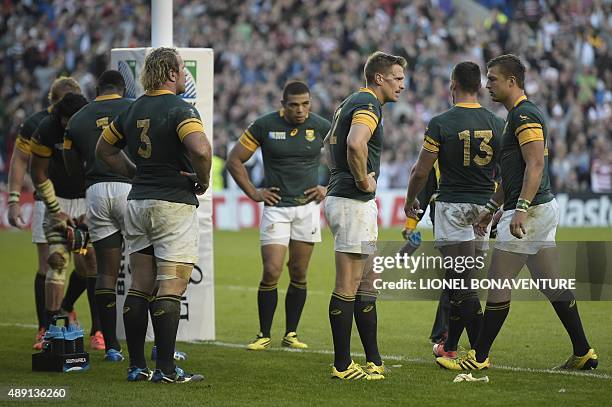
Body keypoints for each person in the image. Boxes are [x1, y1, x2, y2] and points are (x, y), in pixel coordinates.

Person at [436, 54, 597, 371]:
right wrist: (491, 209)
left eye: (493, 78)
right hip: (536, 207)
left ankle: (478, 358)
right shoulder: (515, 116)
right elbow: (512, 173)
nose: (487, 84)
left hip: (531, 210)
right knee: (551, 284)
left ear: (512, 82)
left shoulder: (524, 116)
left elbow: (535, 165)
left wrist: (520, 209)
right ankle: (583, 351)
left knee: (498, 282)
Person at [96, 47, 211, 383]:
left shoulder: (133, 109)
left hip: (138, 202)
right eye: (181, 70)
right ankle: (165, 369)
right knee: (171, 288)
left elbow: (104, 149)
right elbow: (201, 148)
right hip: (171, 204)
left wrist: (133, 173)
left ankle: (136, 367)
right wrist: (202, 180)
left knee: (139, 286)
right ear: (173, 73)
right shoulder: (179, 108)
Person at [405, 61, 504, 359]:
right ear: (480, 87)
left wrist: (411, 201)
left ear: (453, 85)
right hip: (483, 208)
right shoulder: (499, 124)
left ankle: (479, 352)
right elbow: (508, 173)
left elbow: (421, 171)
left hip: (451, 207)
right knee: (462, 279)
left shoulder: (441, 123)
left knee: (461, 284)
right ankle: (448, 347)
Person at [227, 81, 330, 350]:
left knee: (299, 271)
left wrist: (327, 187)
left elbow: (348, 157)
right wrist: (253, 192)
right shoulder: (264, 126)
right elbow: (234, 160)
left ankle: (291, 334)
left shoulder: (320, 126)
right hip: (276, 209)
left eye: (305, 104)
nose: (300, 110)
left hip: (307, 209)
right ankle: (263, 334)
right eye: (294, 105)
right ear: (282, 105)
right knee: (271, 270)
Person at [324, 51, 406, 380]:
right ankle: (342, 364)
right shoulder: (368, 103)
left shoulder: (351, 102)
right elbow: (355, 144)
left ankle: (373, 359)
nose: (402, 84)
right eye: (397, 78)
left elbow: (331, 147)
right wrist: (360, 179)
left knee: (368, 283)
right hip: (352, 200)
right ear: (379, 78)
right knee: (348, 286)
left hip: (351, 200)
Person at [63, 70, 133, 362]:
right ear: (122, 88)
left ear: (98, 88)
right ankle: (154, 345)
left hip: (94, 192)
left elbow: (68, 159)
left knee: (105, 271)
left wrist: (84, 184)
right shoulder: (132, 107)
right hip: (130, 187)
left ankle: (112, 346)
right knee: (145, 267)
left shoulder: (78, 118)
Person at [6, 77, 81, 349]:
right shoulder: (37, 124)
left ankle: (68, 308)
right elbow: (20, 161)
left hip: (81, 198)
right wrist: (14, 198)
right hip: (45, 198)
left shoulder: (83, 119)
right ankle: (45, 328)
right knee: (49, 262)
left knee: (87, 263)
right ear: (53, 103)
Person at [29, 92, 105, 350]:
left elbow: (105, 164)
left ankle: (97, 329)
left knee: (88, 261)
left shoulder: (93, 127)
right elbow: (37, 171)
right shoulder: (47, 129)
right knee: (57, 261)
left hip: (86, 201)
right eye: (63, 121)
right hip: (58, 201)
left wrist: (92, 206)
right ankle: (49, 331)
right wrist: (54, 209)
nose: (66, 126)